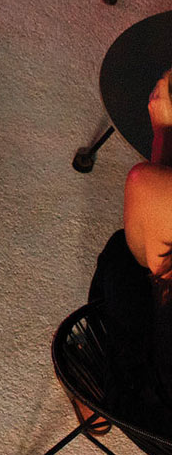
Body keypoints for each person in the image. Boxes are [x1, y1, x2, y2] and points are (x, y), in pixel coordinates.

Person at [92, 71, 172, 434]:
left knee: (123, 256)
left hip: (155, 413)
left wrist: (165, 129)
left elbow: (150, 193)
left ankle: (101, 387)